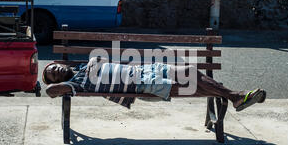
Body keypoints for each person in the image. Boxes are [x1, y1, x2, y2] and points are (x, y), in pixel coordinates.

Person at [43, 57, 266, 112]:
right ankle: (236, 96)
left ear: (61, 63)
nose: (55, 71)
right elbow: (50, 91)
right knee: (195, 87)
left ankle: (235, 97)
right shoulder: (75, 83)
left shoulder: (84, 65)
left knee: (189, 71)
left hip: (146, 70)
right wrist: (53, 85)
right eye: (52, 74)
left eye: (53, 67)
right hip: (142, 85)